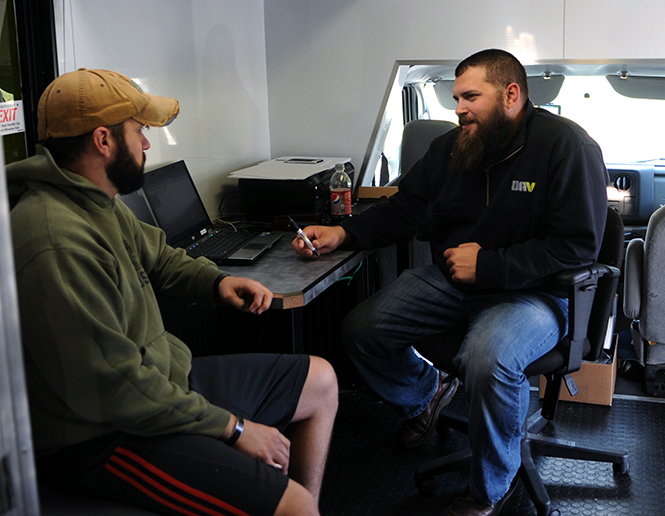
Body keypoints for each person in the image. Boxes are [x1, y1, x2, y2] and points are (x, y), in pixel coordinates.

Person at [292, 49, 609, 516]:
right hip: (454, 284)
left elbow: (578, 247)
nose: (458, 107)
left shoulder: (567, 148)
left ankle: (487, 490)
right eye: (455, 97)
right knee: (361, 329)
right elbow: (405, 209)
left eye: (470, 97)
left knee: (487, 358)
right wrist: (346, 232)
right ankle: (426, 394)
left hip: (535, 294)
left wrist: (491, 267)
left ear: (511, 95)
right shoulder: (452, 148)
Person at [9, 68, 338, 516]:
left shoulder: (94, 200)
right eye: (139, 132)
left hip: (159, 384)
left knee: (320, 381)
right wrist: (237, 429)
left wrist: (218, 281)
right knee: (295, 506)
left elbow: (160, 257)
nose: (146, 145)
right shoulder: (56, 239)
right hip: (101, 437)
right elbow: (115, 388)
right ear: (103, 140)